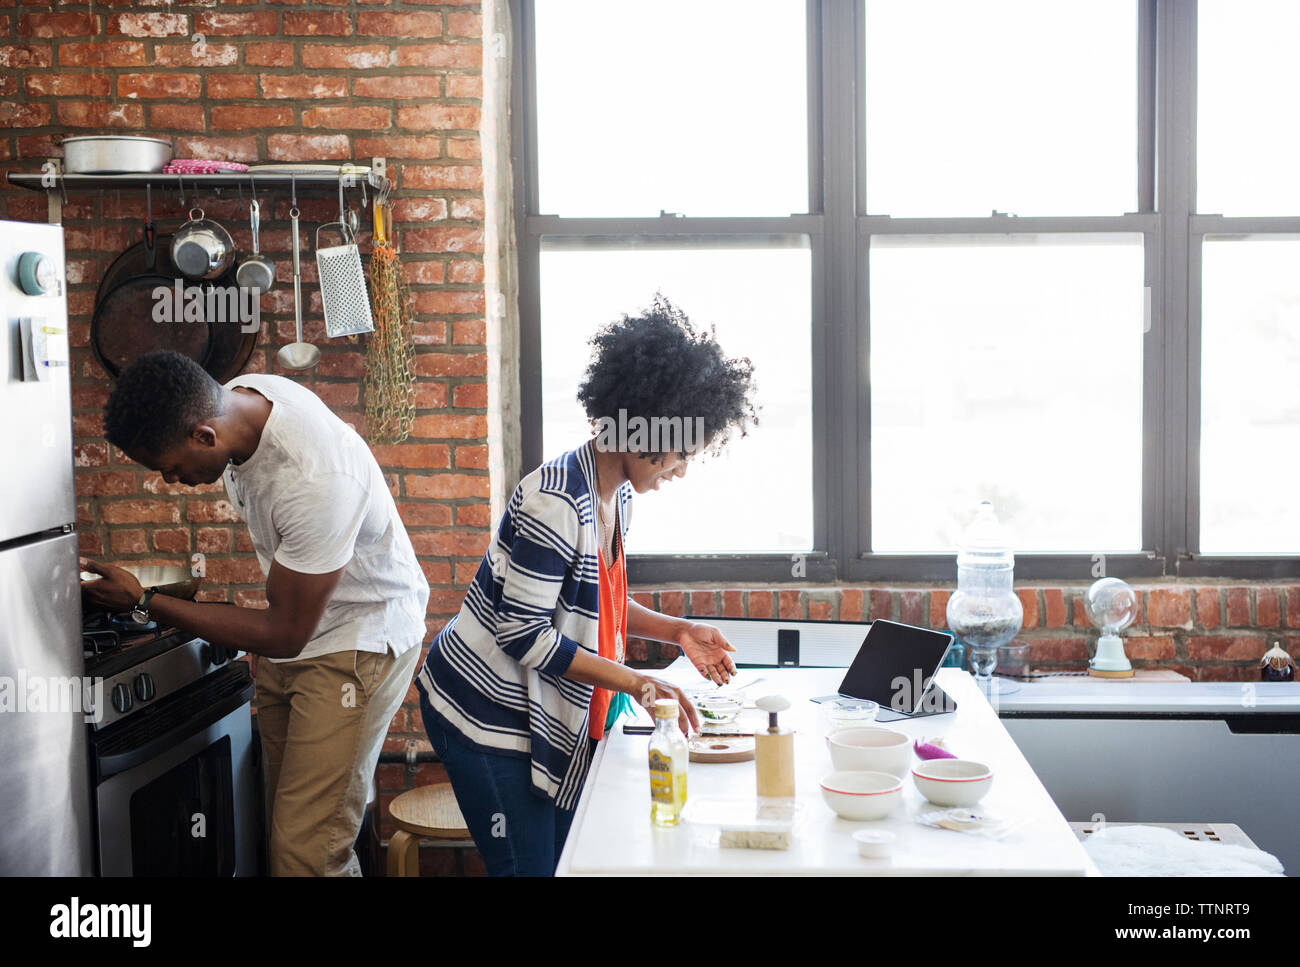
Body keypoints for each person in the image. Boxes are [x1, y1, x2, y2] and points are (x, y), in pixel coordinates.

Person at [416, 295, 759, 876]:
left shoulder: (616, 491)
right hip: (483, 713)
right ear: (639, 424)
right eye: (679, 454)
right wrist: (636, 682)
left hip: (529, 702)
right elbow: (524, 634)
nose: (680, 470)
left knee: (569, 858)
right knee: (532, 869)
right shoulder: (556, 500)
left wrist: (678, 631)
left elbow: (588, 601)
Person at [80, 350, 430, 876]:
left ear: (204, 435)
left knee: (306, 855)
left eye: (171, 468)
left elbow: (283, 633)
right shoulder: (243, 396)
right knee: (296, 837)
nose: (172, 482)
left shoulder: (316, 478)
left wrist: (146, 601)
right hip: (301, 630)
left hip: (357, 644)